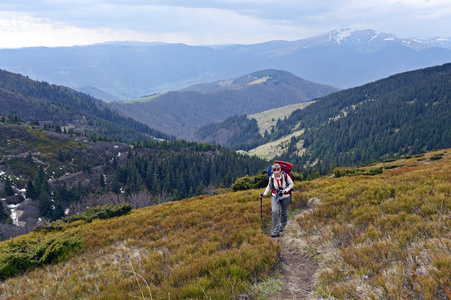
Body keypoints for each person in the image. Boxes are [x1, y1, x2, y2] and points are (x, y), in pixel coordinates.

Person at [259, 163, 294, 237]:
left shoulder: (285, 176)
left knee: (283, 212)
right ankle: (276, 231)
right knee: (274, 212)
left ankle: (283, 225)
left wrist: (286, 190)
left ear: (280, 170)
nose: (276, 172)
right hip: (275, 196)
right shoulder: (271, 178)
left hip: (285, 196)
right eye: (274, 170)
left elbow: (291, 184)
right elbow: (269, 186)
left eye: (278, 170)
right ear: (272, 171)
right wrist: (264, 194)